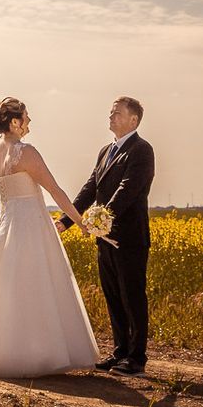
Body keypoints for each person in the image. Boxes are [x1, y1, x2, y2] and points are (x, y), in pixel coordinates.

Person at [0, 97, 102, 378]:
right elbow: (55, 190)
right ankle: (38, 354)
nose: (30, 121)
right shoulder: (26, 152)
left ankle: (4, 353)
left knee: (9, 289)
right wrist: (80, 222)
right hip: (29, 226)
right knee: (36, 285)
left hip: (4, 225)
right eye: (26, 117)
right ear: (14, 122)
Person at [57, 96, 154, 375]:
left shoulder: (141, 150)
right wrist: (66, 220)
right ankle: (120, 352)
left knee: (132, 295)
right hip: (105, 238)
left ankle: (136, 359)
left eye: (117, 113)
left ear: (133, 120)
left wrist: (103, 217)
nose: (110, 117)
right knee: (112, 295)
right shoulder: (106, 151)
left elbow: (128, 189)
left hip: (129, 238)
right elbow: (90, 189)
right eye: (110, 112)